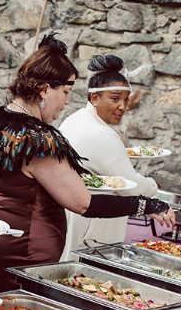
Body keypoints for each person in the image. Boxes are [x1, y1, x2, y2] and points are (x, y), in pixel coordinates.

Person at [0, 35, 175, 299]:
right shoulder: (37, 141)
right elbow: (84, 204)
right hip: (12, 258)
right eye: (65, 92)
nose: (67, 102)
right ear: (44, 89)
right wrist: (147, 205)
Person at [58, 54, 159, 261]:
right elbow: (133, 186)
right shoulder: (102, 135)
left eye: (125, 99)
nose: (122, 106)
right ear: (94, 98)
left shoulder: (75, 118)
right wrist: (153, 186)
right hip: (90, 228)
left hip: (67, 216)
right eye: (115, 98)